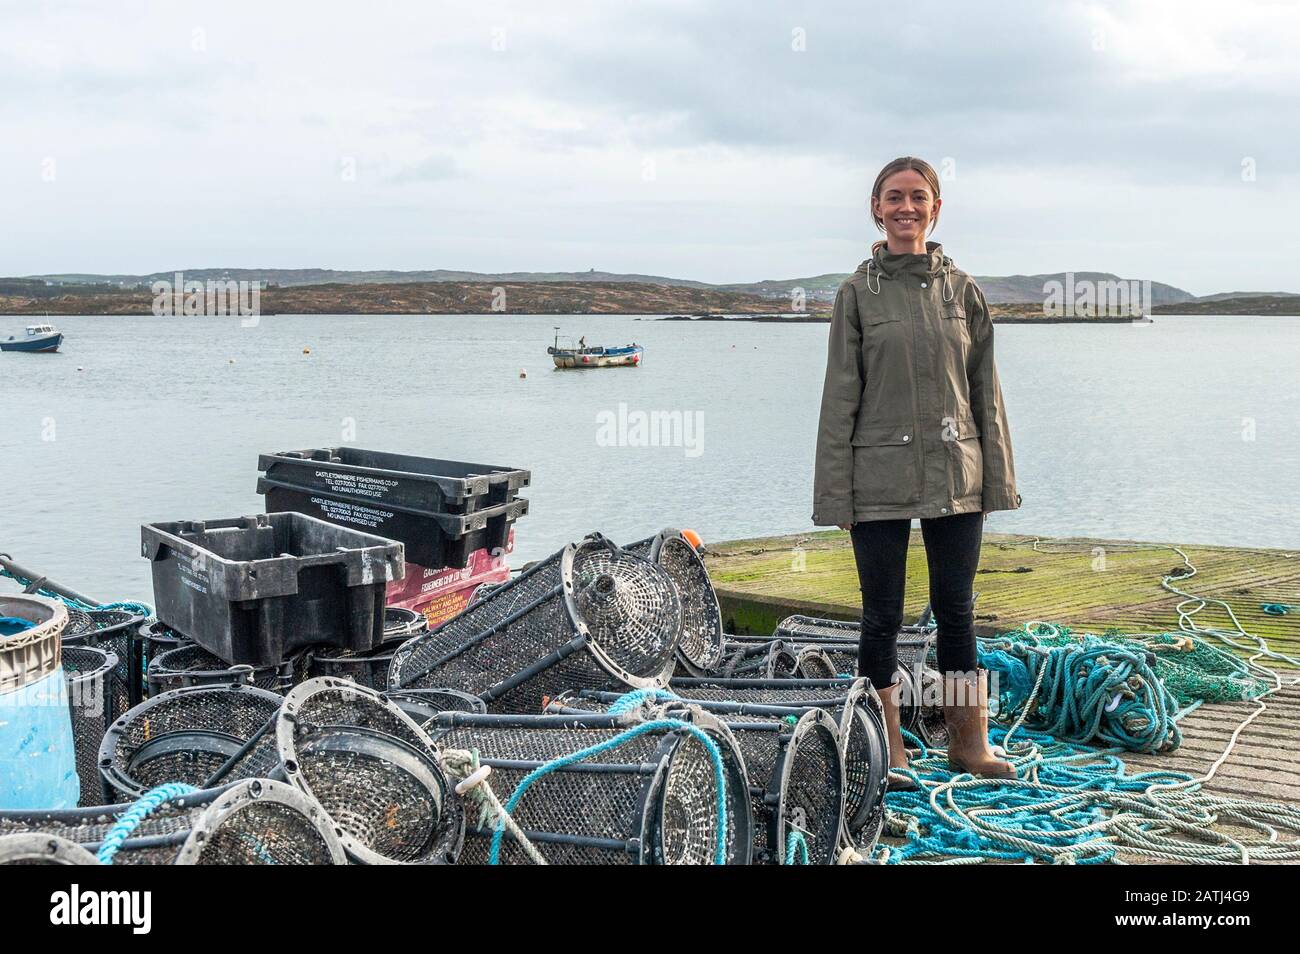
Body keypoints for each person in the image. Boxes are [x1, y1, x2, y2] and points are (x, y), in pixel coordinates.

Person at [812, 156, 1023, 789]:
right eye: (894, 197)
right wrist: (835, 493)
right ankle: (889, 750)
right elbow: (838, 398)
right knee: (882, 615)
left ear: (936, 209)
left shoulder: (964, 292)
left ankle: (969, 743)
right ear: (876, 209)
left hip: (957, 473)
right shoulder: (856, 294)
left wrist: (995, 481)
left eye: (919, 197)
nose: (907, 207)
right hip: (875, 476)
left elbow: (985, 393)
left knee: (956, 608)